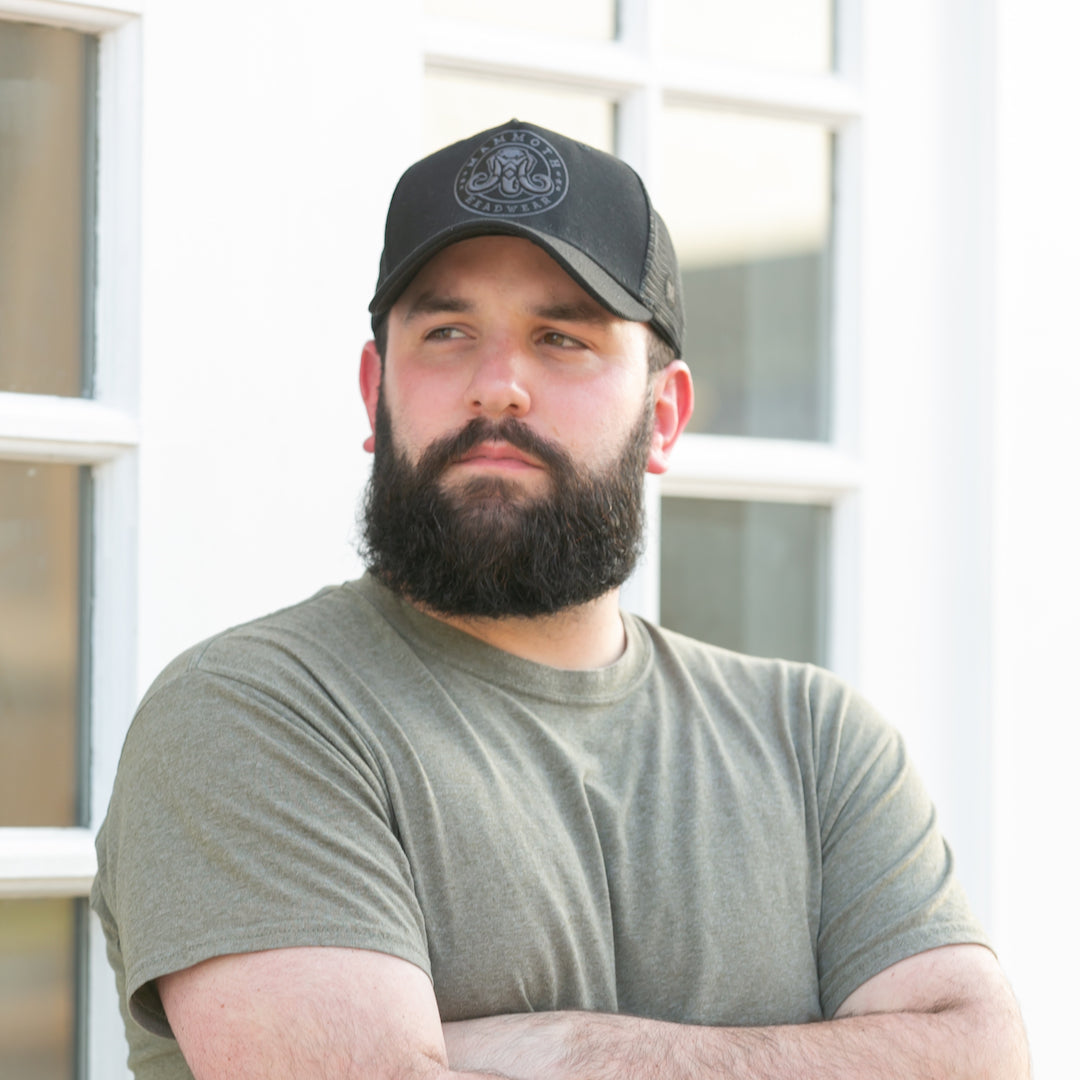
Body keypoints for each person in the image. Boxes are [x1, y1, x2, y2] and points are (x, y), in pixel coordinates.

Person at [92, 119, 1029, 1080]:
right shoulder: (256, 714)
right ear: (376, 391)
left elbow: (979, 1057)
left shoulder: (816, 744)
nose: (498, 388)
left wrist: (563, 1048)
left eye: (562, 338)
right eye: (447, 333)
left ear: (662, 418)